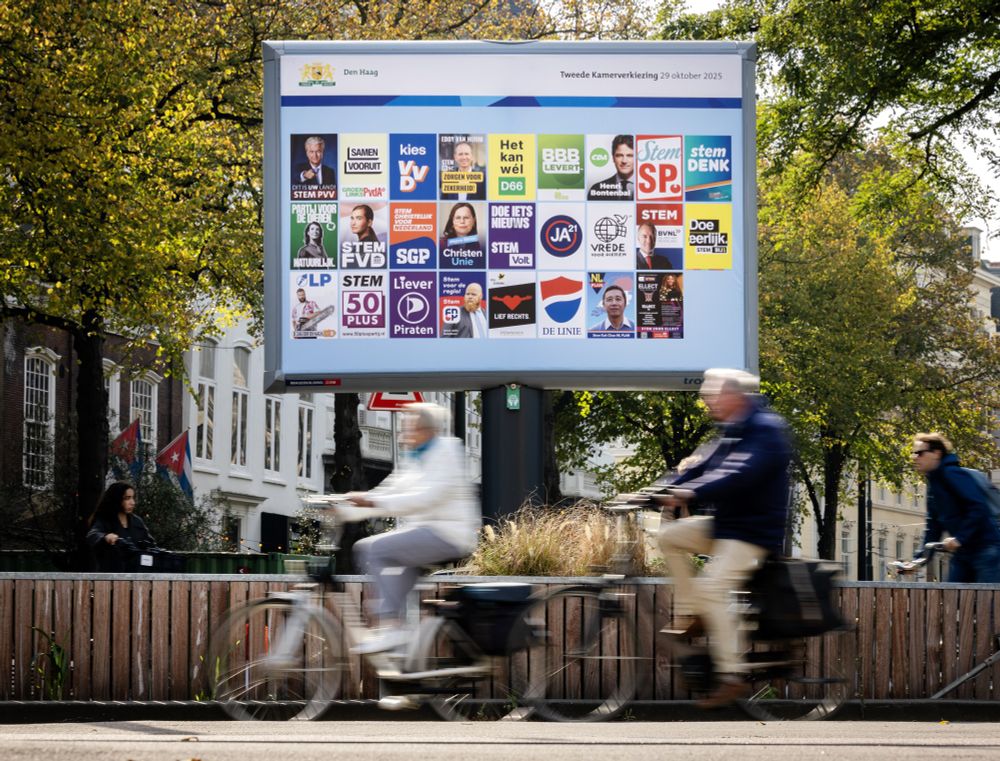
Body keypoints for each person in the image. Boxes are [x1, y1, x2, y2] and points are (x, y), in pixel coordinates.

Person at [656, 369, 792, 708]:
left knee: (712, 588)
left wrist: (688, 493)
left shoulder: (765, 430)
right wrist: (657, 490)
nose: (708, 404)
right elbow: (700, 467)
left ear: (735, 396)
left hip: (753, 535)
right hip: (726, 528)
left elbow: (738, 473)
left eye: (713, 397)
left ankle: (731, 675)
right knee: (669, 537)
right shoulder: (733, 431)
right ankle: (693, 614)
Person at [346, 403, 481, 653]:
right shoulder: (415, 458)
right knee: (394, 571)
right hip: (427, 534)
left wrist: (372, 501)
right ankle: (403, 656)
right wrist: (345, 508)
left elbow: (427, 496)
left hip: (448, 534)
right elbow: (390, 492)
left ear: (427, 430)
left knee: (373, 549)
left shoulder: (447, 452)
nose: (403, 435)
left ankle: (392, 626)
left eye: (410, 428)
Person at [911, 433, 1000, 583]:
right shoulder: (934, 482)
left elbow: (978, 507)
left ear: (936, 454)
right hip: (963, 552)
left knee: (987, 602)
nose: (915, 457)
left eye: (920, 453)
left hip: (986, 549)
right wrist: (918, 560)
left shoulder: (952, 474)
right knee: (952, 599)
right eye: (913, 453)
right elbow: (933, 526)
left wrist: (960, 539)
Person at [86, 482, 155, 572]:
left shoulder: (137, 521)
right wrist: (105, 537)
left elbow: (151, 544)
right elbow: (93, 535)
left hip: (136, 576)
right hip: (111, 577)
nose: (132, 503)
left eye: (133, 498)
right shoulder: (105, 519)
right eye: (127, 498)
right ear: (117, 499)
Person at [587, 135, 634, 201]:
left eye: (629, 156)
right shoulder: (596, 189)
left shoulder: (649, 190)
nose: (624, 161)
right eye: (619, 155)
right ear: (613, 158)